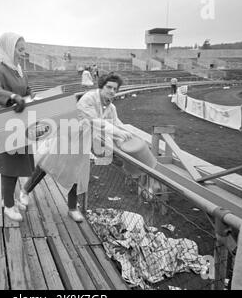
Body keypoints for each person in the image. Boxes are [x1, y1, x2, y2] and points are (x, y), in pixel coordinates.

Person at [20, 73, 157, 222]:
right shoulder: (88, 98)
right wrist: (117, 132)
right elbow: (95, 121)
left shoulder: (110, 107)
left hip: (82, 143)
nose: (112, 91)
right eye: (109, 87)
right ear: (101, 86)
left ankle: (72, 208)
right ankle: (25, 191)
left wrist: (126, 134)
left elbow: (116, 123)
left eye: (115, 89)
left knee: (76, 172)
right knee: (47, 165)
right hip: (67, 136)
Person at [0, 32, 35, 222]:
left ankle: (10, 198)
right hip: (6, 124)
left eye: (24, 49)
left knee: (14, 165)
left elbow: (26, 89)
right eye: (20, 49)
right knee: (9, 166)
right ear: (9, 48)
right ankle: (8, 205)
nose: (23, 52)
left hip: (19, 124)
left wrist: (31, 95)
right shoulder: (0, 70)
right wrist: (12, 97)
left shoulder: (18, 70)